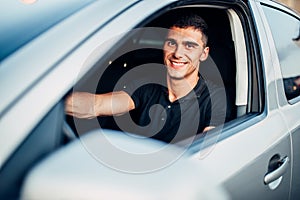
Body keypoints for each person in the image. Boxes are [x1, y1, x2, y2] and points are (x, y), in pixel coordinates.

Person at [65, 13, 226, 143]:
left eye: (189, 46)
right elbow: (97, 105)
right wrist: (49, 102)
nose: (177, 54)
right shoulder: (147, 83)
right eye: (171, 43)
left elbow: (208, 148)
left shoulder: (215, 97)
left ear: (204, 54)